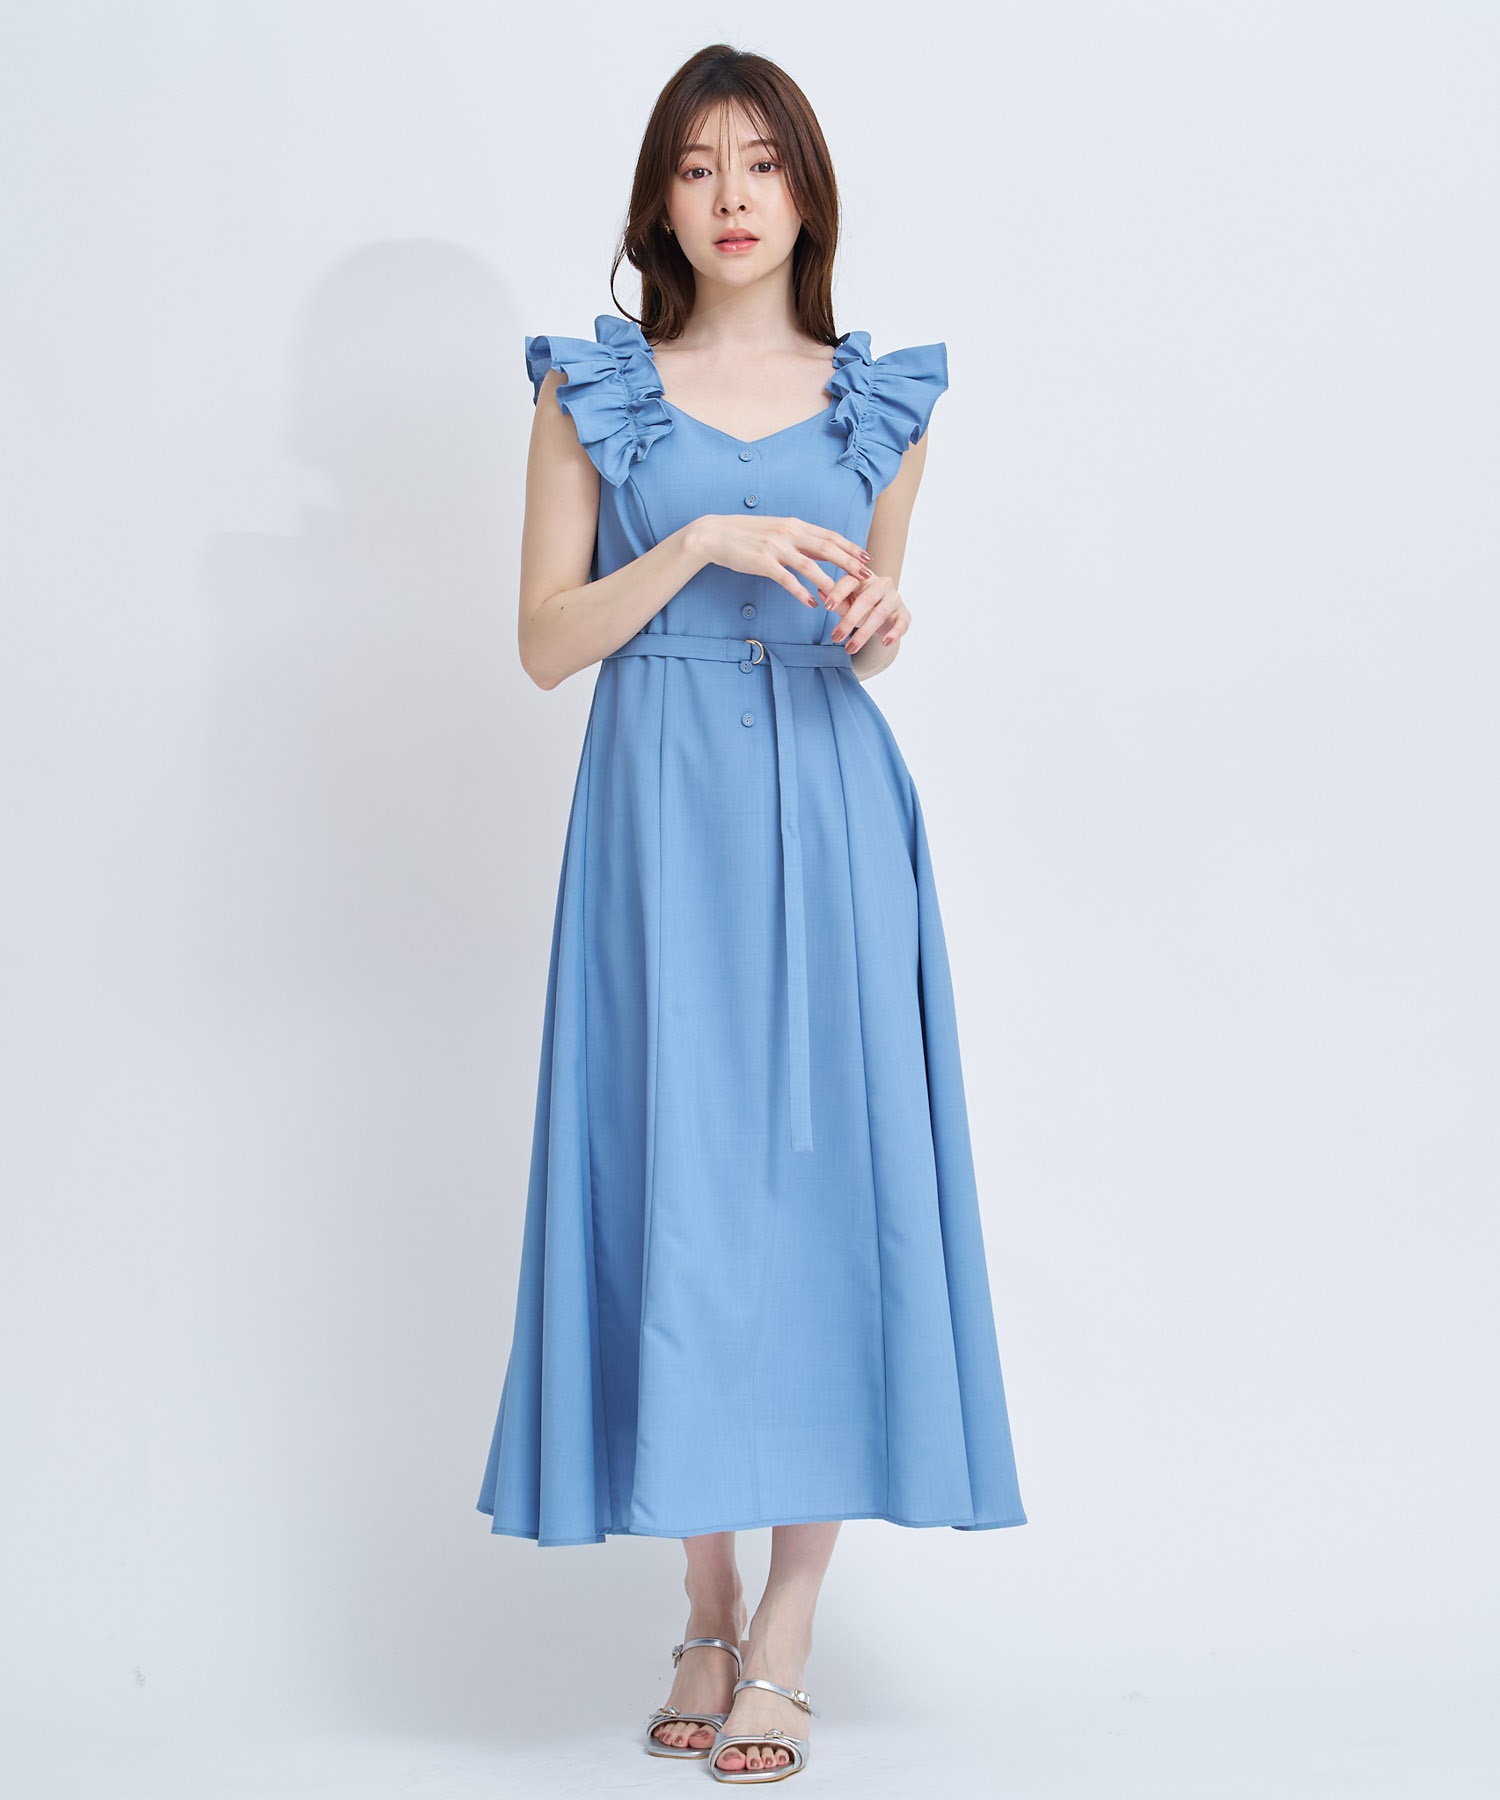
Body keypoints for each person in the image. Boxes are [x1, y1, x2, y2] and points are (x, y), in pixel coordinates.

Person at [476, 43, 1027, 1782]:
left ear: (807, 191)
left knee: (822, 1192)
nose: (731, 196)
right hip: (658, 828)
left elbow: (869, 611)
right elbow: (545, 643)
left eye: (762, 163)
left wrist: (884, 625)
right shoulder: (593, 390)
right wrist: (695, 546)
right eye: (699, 165)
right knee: (678, 1190)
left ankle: (784, 1628)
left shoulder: (882, 403)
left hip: (832, 815)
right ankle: (703, 1599)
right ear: (660, 198)